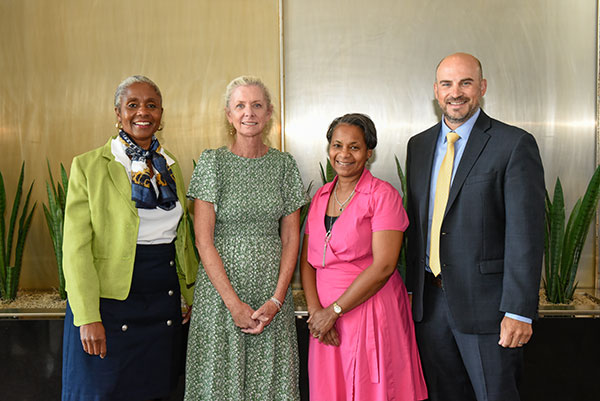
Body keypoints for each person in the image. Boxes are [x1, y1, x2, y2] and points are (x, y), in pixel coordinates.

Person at [405, 52, 545, 401]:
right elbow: (418, 226)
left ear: (481, 87)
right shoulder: (418, 146)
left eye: (466, 82)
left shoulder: (513, 144)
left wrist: (518, 311)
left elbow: (525, 234)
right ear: (436, 91)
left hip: (491, 312)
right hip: (430, 307)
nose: (457, 92)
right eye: (448, 84)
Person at [61, 75, 198, 400]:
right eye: (132, 105)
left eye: (151, 105)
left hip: (161, 300)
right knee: (102, 390)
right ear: (117, 113)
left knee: (155, 390)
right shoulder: (90, 166)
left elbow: (180, 236)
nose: (143, 112)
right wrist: (87, 316)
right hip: (108, 304)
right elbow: (75, 249)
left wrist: (187, 292)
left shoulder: (170, 166)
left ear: (161, 115)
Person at [184, 76, 308, 400]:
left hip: (271, 296)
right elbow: (203, 240)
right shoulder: (213, 163)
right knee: (218, 386)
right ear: (229, 114)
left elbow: (291, 238)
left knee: (270, 385)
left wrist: (278, 300)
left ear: (269, 114)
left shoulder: (284, 165)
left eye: (256, 105)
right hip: (221, 295)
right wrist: (233, 304)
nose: (248, 113)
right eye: (240, 105)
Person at [300, 113, 428, 401]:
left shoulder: (383, 196)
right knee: (331, 390)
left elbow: (384, 266)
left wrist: (334, 311)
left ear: (369, 152)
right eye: (337, 145)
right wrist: (316, 314)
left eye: (354, 147)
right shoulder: (320, 197)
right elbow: (308, 261)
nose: (344, 154)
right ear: (329, 148)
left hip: (368, 310)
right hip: (324, 321)